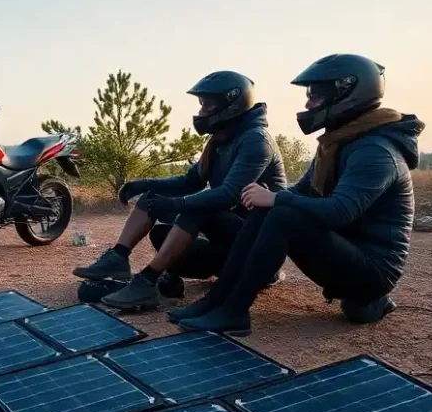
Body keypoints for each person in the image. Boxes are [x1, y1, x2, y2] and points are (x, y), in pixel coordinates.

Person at [177, 53, 424, 336]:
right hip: (348, 254)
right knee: (271, 208)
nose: (308, 103)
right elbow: (301, 191)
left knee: (283, 213)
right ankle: (217, 300)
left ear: (347, 92)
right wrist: (271, 197)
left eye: (316, 96)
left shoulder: (375, 150)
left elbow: (341, 212)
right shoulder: (338, 142)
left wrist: (277, 198)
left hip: (374, 271)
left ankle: (234, 311)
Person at [73, 71, 287, 311]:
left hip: (258, 248)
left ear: (231, 105)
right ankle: (118, 258)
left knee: (196, 208)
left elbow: (229, 195)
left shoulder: (255, 141)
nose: (202, 111)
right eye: (201, 104)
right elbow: (190, 182)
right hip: (231, 242)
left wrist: (177, 205)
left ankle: (147, 282)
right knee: (157, 205)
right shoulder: (221, 141)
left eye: (208, 104)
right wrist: (144, 184)